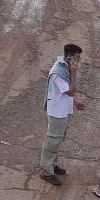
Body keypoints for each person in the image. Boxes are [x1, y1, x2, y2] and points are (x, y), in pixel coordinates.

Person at [40, 44, 85, 185]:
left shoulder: (65, 67)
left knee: (59, 140)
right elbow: (71, 90)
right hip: (57, 112)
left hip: (64, 109)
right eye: (78, 57)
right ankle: (46, 172)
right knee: (52, 140)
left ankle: (52, 165)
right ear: (70, 57)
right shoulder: (57, 72)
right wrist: (73, 72)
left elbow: (68, 92)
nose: (80, 60)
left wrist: (75, 102)